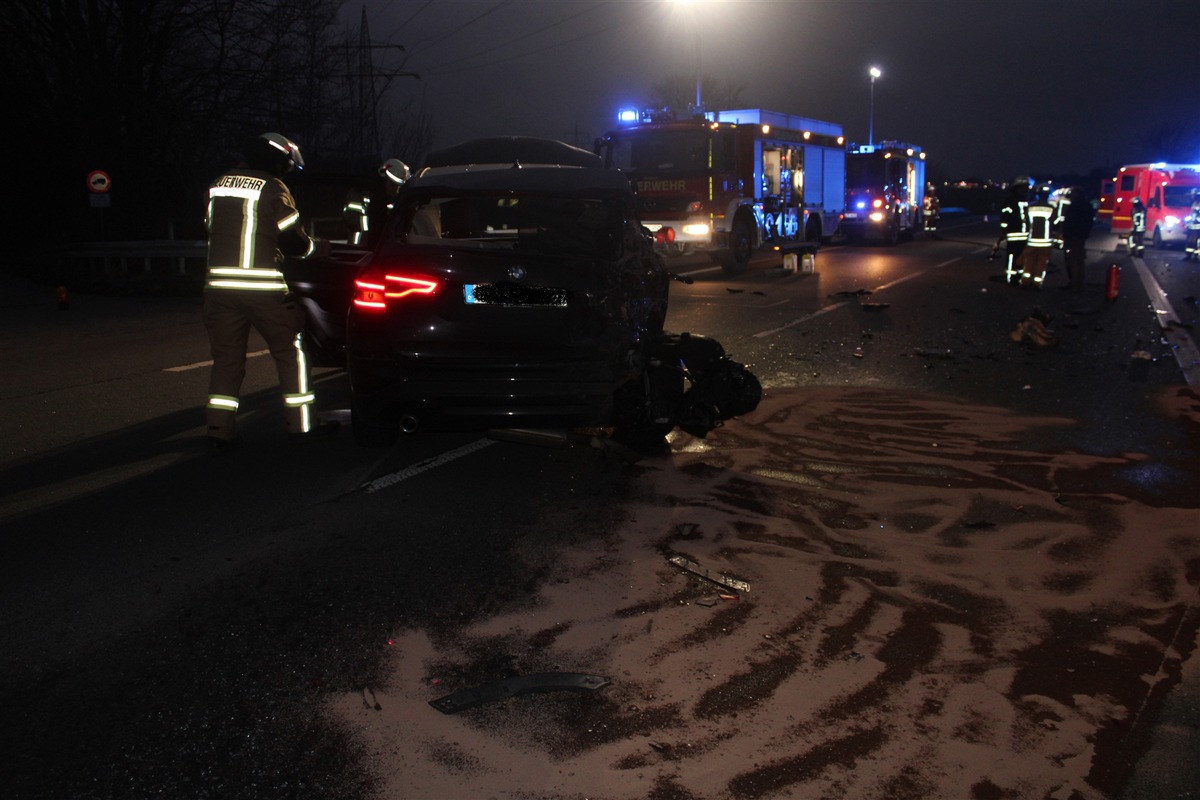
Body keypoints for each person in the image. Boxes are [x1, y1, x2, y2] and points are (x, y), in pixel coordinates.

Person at [203, 132, 336, 454]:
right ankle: (302, 426)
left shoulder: (219, 184)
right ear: (277, 161)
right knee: (291, 352)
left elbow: (212, 227)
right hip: (262, 289)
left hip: (218, 288)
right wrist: (319, 249)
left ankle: (220, 431)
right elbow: (294, 243)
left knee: (227, 361)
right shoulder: (273, 187)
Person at [343, 157, 411, 248]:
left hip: (378, 250)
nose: (395, 190)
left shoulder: (393, 201)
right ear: (384, 179)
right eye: (392, 185)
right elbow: (352, 218)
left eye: (398, 187)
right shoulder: (360, 194)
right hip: (357, 250)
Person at [1019, 186, 1059, 288]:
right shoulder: (1051, 208)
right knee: (1042, 262)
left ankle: (1025, 281)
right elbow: (1055, 222)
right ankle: (1037, 282)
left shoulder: (1030, 207)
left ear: (1037, 195)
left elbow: (1026, 222)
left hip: (1032, 240)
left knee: (1029, 261)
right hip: (1045, 241)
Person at [1059, 187, 1094, 291]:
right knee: (1079, 260)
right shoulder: (1086, 205)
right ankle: (1078, 282)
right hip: (1080, 236)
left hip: (1073, 237)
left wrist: (1066, 234)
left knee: (1073, 260)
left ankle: (1075, 283)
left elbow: (1070, 222)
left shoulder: (1076, 206)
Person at [999, 176, 1031, 283]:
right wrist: (1003, 231)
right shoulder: (1011, 201)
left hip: (1021, 234)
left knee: (1020, 256)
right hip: (1015, 233)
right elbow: (1005, 217)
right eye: (1024, 187)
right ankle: (1012, 277)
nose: (1026, 190)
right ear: (1018, 188)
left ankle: (1018, 276)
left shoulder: (1022, 200)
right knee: (1013, 256)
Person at [1183, 189, 1200, 261]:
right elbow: (1192, 215)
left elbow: (1197, 216)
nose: (1192, 196)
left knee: (1195, 242)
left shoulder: (1198, 203)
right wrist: (1187, 223)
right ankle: (1188, 256)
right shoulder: (1195, 203)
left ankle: (1195, 256)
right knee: (1189, 242)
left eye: (1193, 195)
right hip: (1192, 227)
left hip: (1197, 227)